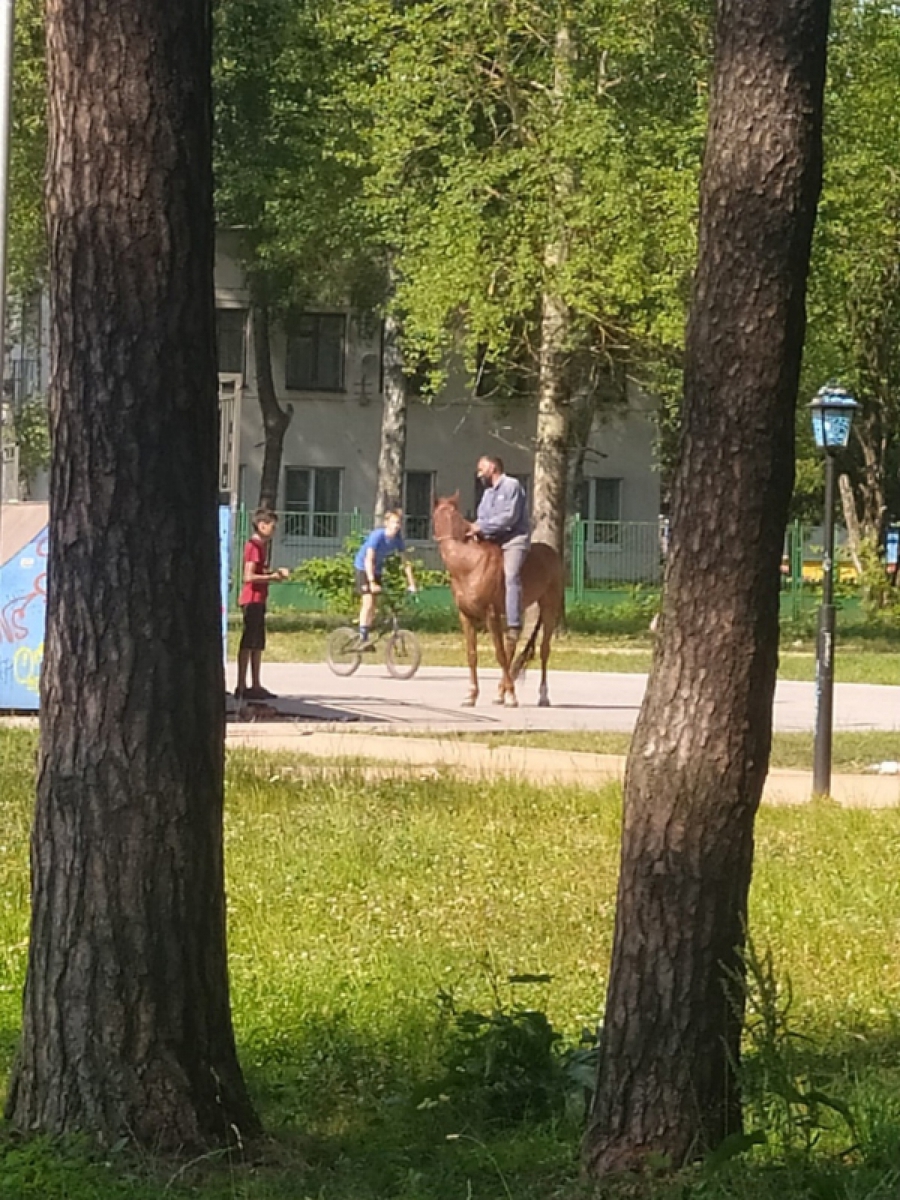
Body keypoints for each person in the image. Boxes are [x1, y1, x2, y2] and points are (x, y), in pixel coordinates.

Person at [468, 455, 531, 639]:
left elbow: (509, 517)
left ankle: (513, 624)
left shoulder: (512, 485)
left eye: (481, 469)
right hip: (492, 539)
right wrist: (474, 529)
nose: (479, 473)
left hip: (514, 540)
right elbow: (482, 517)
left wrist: (482, 527)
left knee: (511, 575)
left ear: (493, 467)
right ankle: (482, 615)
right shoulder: (487, 493)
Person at [236, 508, 290, 700]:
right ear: (261, 526)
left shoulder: (261, 546)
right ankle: (241, 684)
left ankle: (256, 684)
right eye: (272, 527)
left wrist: (272, 573)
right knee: (248, 642)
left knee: (257, 643)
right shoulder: (254, 546)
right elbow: (248, 576)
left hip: (259, 599)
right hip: (251, 599)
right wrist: (272, 577)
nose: (274, 531)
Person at [354, 509, 417, 645]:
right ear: (386, 523)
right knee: (368, 601)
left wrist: (411, 584)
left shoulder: (397, 539)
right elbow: (368, 559)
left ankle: (366, 631)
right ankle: (362, 637)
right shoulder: (377, 536)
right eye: (394, 522)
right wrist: (371, 581)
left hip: (376, 569)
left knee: (375, 604)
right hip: (363, 568)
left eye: (399, 523)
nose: (397, 525)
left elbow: (405, 562)